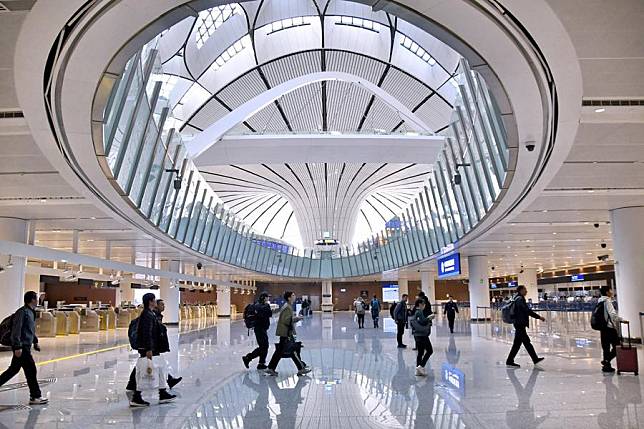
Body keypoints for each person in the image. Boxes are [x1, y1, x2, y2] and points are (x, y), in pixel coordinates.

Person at [126, 299, 182, 400]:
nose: (163, 306)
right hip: (150, 347)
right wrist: (149, 348)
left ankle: (163, 389)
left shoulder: (152, 314)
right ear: (152, 303)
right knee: (146, 367)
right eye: (161, 304)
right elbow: (148, 332)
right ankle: (137, 394)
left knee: (158, 366)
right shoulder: (150, 315)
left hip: (152, 346)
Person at [0, 291, 48, 405]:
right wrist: (17, 346)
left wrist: (35, 342)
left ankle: (35, 396)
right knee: (31, 370)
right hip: (22, 347)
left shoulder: (31, 312)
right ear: (32, 300)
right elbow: (16, 330)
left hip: (25, 346)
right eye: (36, 298)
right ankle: (35, 396)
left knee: (13, 370)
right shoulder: (22, 312)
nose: (38, 300)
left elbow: (30, 330)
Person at [266, 292, 311, 376]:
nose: (295, 296)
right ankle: (301, 368)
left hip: (285, 332)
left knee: (279, 351)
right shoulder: (287, 307)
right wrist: (297, 318)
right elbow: (286, 320)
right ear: (289, 298)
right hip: (286, 333)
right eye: (293, 295)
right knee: (293, 350)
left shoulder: (288, 306)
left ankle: (271, 368)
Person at [506, 286, 546, 368]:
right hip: (520, 323)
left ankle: (510, 360)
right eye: (525, 290)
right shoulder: (520, 299)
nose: (526, 291)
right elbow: (527, 310)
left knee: (519, 343)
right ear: (521, 290)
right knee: (525, 342)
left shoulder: (516, 298)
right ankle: (533, 359)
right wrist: (539, 317)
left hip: (518, 323)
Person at [243, 292, 273, 371]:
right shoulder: (265, 306)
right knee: (264, 346)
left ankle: (261, 363)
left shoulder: (256, 305)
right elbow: (270, 314)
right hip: (261, 329)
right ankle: (248, 358)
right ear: (264, 298)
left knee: (263, 346)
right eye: (267, 297)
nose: (268, 298)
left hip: (258, 328)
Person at [597, 286, 622, 373]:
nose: (612, 291)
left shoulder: (599, 300)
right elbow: (612, 314)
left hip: (602, 327)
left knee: (606, 347)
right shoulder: (607, 301)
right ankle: (607, 360)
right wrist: (621, 319)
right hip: (609, 327)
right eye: (610, 290)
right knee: (617, 346)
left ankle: (606, 366)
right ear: (607, 292)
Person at [411, 298, 434, 376]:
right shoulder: (419, 312)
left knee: (420, 352)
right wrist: (429, 318)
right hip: (422, 335)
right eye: (423, 304)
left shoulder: (414, 311)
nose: (424, 306)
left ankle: (418, 370)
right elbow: (423, 321)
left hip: (416, 334)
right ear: (420, 304)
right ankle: (421, 366)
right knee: (430, 350)